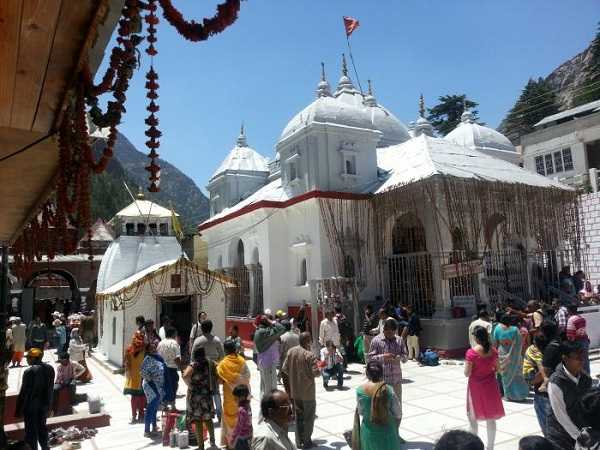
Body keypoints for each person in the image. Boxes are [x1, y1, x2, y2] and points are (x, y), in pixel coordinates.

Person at [547, 340, 593, 450]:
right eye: (577, 357)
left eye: (582, 356)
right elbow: (561, 415)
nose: (581, 361)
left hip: (581, 430)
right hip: (559, 435)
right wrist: (580, 437)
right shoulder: (555, 383)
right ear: (565, 358)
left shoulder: (586, 379)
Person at [465, 326, 505, 450]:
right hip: (491, 387)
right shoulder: (493, 351)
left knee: (472, 419)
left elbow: (467, 373)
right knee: (491, 418)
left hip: (476, 388)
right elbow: (499, 370)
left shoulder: (471, 353)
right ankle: (490, 447)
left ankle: (472, 447)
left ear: (476, 338)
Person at [281, 332, 321, 449]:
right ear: (307, 341)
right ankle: (307, 441)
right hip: (308, 393)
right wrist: (321, 368)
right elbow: (316, 373)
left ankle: (299, 442)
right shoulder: (310, 355)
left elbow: (284, 369)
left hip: (295, 392)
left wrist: (288, 388)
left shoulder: (291, 352)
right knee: (309, 418)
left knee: (298, 417)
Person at [356, 360, 402, 450]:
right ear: (381, 373)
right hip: (388, 432)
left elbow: (361, 412)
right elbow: (398, 413)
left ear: (367, 374)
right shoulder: (389, 390)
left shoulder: (360, 390)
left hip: (368, 432)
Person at [367, 317, 408, 420]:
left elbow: (405, 356)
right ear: (383, 329)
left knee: (397, 410)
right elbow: (370, 358)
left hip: (396, 381)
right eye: (387, 331)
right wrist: (383, 357)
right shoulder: (376, 340)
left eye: (392, 331)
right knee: (383, 408)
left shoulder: (399, 340)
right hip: (382, 382)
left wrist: (400, 358)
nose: (390, 333)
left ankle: (395, 431)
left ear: (395, 330)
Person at [16, 348, 55, 450]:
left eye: (28, 358)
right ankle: (45, 447)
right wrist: (50, 406)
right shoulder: (50, 369)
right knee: (42, 428)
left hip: (30, 407)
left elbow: (23, 392)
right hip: (44, 406)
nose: (27, 360)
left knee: (31, 433)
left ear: (33, 358)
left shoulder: (29, 371)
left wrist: (18, 410)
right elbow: (50, 389)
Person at [217, 339, 251, 449]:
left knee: (228, 417)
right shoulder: (241, 361)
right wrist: (238, 380)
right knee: (243, 417)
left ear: (225, 350)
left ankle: (230, 443)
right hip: (242, 394)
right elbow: (247, 377)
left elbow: (219, 380)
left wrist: (230, 381)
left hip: (229, 394)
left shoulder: (222, 364)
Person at [183, 347, 216, 449]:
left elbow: (185, 376)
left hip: (196, 396)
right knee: (208, 419)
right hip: (206, 395)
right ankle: (212, 442)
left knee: (198, 421)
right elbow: (217, 370)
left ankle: (201, 446)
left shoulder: (193, 365)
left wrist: (190, 385)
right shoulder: (210, 363)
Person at [491, 314, 529, 401]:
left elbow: (495, 343)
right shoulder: (515, 330)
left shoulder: (497, 328)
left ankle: (508, 396)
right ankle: (519, 396)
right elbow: (519, 344)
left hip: (502, 354)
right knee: (516, 375)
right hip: (514, 355)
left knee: (504, 375)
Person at [192, 320, 224, 419]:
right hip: (214, 368)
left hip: (201, 370)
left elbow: (193, 356)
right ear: (211, 328)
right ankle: (220, 416)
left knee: (203, 391)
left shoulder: (198, 341)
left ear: (201, 328)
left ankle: (205, 414)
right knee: (216, 392)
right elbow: (222, 356)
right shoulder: (217, 340)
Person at [254, 315, 286, 414]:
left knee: (264, 388)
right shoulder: (265, 332)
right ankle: (268, 411)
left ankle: (264, 409)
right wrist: (271, 321)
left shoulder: (260, 332)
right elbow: (282, 328)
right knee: (270, 388)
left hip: (264, 362)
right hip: (268, 363)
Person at [523, 333, 551, 436]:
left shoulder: (537, 349)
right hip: (530, 373)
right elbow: (540, 365)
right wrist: (545, 379)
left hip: (533, 374)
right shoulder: (534, 350)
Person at [141, 342, 166, 437]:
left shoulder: (158, 357)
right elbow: (142, 372)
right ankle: (147, 431)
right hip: (150, 385)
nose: (153, 349)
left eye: (154, 348)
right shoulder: (147, 359)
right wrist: (151, 378)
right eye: (151, 348)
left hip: (157, 385)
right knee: (151, 407)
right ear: (147, 350)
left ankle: (154, 427)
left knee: (155, 407)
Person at [124, 330, 146, 423]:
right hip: (142, 376)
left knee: (134, 397)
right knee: (142, 396)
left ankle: (134, 416)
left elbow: (126, 363)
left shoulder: (129, 349)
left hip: (133, 377)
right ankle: (141, 414)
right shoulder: (145, 348)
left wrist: (128, 373)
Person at [156, 327, 181, 409]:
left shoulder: (161, 343)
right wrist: (182, 368)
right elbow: (177, 358)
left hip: (161, 368)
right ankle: (173, 405)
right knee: (173, 386)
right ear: (173, 334)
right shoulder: (174, 343)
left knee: (164, 386)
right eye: (176, 334)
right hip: (171, 368)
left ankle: (164, 404)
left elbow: (157, 355)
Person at [565, 303, 590, 374]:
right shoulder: (582, 318)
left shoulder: (571, 319)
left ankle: (581, 380)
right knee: (585, 361)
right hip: (585, 341)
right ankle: (587, 378)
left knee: (577, 362)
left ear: (569, 310)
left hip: (577, 342)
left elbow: (570, 335)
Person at [279, 320, 300, 388]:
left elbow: (280, 352)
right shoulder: (297, 336)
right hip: (296, 361)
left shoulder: (282, 338)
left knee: (287, 385)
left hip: (285, 363)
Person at [231, 384, 252, 450]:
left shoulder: (241, 410)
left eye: (235, 398)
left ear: (242, 397)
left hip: (241, 438)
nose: (234, 400)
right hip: (248, 435)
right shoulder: (248, 406)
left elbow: (239, 426)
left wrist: (233, 437)